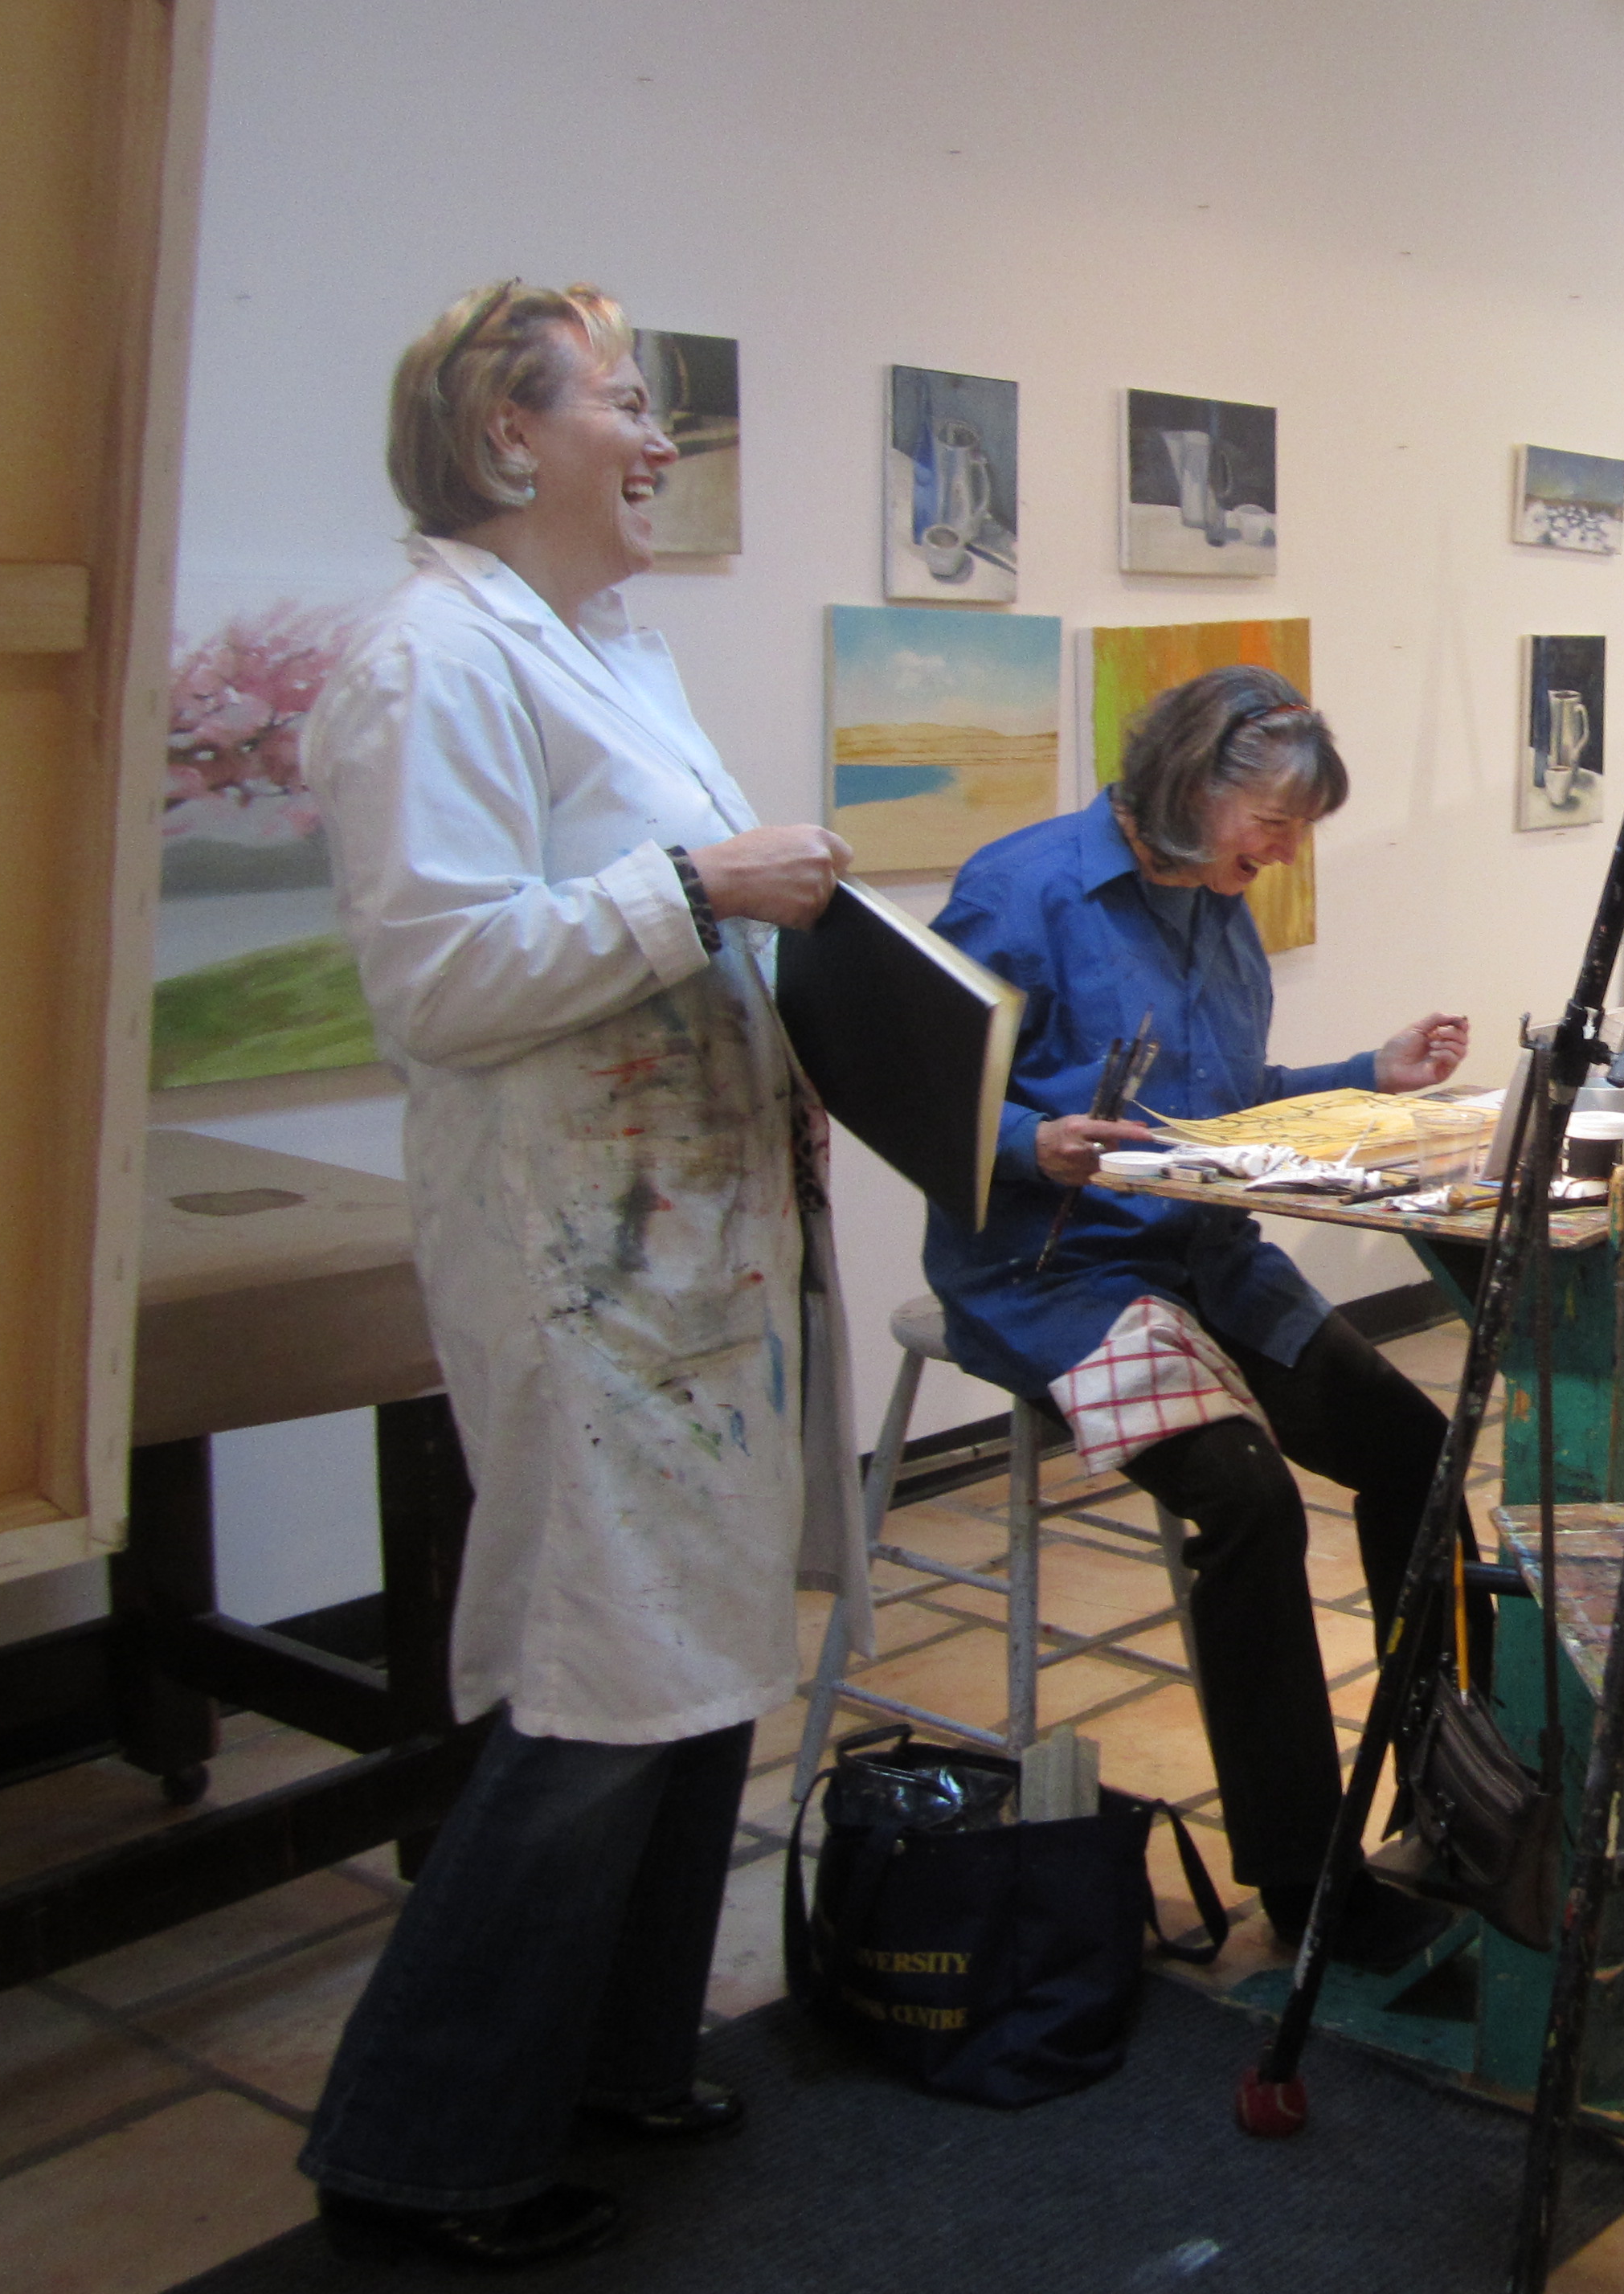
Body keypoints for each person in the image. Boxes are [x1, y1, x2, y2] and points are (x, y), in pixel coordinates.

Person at [299, 281, 860, 2266]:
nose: (659, 438)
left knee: (695, 1661)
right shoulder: (428, 664)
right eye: (623, 401)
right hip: (578, 1262)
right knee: (598, 1676)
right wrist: (705, 884)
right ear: (505, 438)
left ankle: (618, 2056)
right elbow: (438, 980)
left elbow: (658, 930)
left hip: (685, 1248)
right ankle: (422, 2144)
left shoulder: (609, 647)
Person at [922, 666, 1471, 1965]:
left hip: (1206, 1258)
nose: (1280, 856)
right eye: (1271, 824)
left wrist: (1365, 1074)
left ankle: (1454, 1796)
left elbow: (1222, 1102)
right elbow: (916, 1091)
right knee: (1249, 1501)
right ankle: (1304, 1884)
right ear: (1188, 784)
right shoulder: (1021, 893)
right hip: (1058, 1276)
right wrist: (1028, 1143)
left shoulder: (1218, 905)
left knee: (1418, 1453)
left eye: (1296, 832)